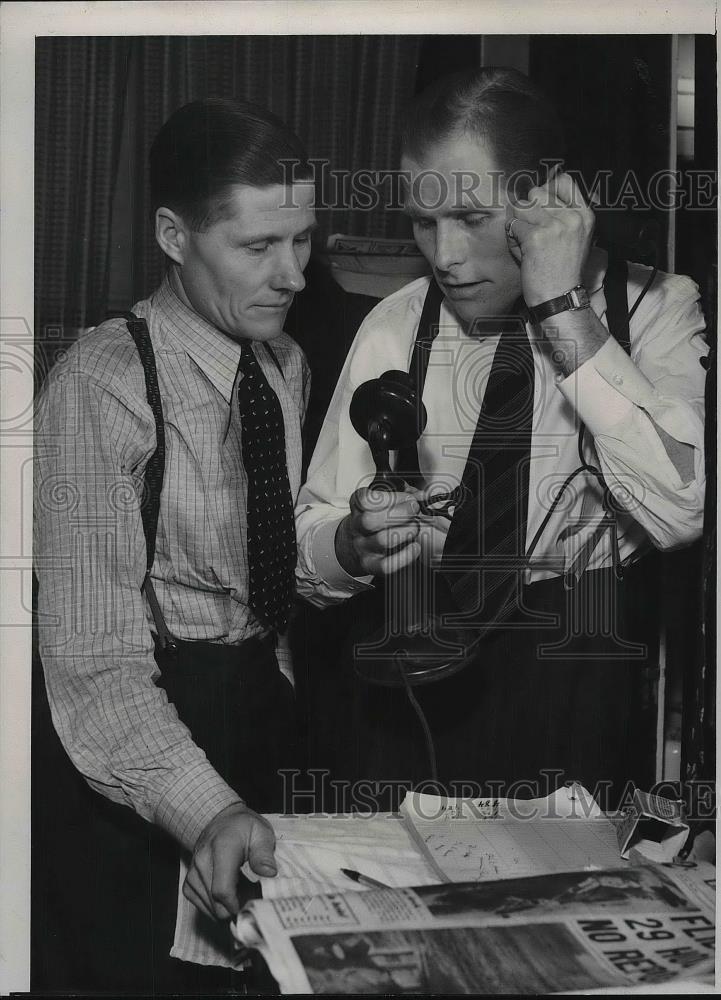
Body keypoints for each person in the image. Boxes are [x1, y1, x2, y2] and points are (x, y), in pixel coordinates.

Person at [295, 67, 707, 811]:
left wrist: (560, 310)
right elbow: (307, 549)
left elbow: (681, 510)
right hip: (412, 686)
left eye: (470, 217)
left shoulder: (653, 311)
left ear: (546, 198)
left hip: (570, 678)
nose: (444, 254)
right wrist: (353, 543)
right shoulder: (395, 324)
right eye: (423, 222)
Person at [33, 97, 315, 993]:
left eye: (302, 240)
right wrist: (204, 810)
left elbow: (271, 580)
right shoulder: (102, 385)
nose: (292, 275)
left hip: (259, 720)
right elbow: (91, 661)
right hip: (135, 755)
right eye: (257, 246)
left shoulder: (284, 365)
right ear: (171, 234)